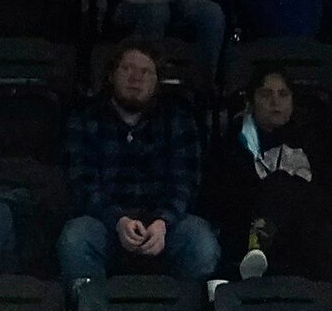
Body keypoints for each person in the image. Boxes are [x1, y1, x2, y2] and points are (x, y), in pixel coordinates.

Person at [59, 43, 217, 287]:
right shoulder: (85, 119)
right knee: (75, 238)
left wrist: (163, 222)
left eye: (145, 72)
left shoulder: (178, 119)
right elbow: (82, 183)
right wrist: (118, 220)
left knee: (200, 241)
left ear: (157, 82)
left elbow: (185, 183)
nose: (135, 78)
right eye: (127, 69)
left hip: (164, 226)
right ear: (111, 75)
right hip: (106, 223)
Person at [201, 63, 332, 282]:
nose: (275, 102)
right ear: (250, 101)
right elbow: (222, 199)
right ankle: (257, 244)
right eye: (266, 94)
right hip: (244, 225)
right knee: (279, 182)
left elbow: (328, 195)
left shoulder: (313, 141)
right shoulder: (233, 143)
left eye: (283, 94)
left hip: (303, 228)